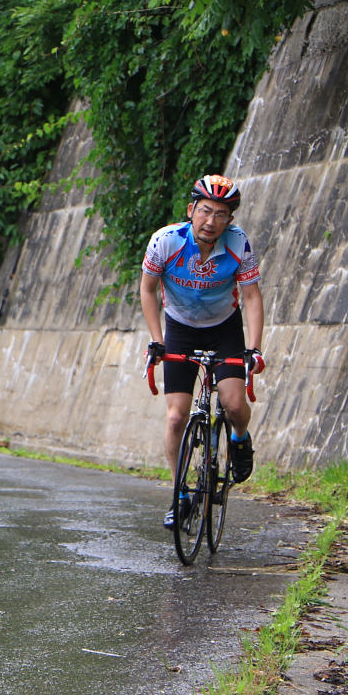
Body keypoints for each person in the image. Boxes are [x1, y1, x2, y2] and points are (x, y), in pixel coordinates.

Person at [140, 174, 265, 530]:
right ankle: (178, 496)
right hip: (179, 328)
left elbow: (253, 297)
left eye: (221, 214)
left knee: (235, 404)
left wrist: (253, 349)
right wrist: (156, 339)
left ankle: (239, 440)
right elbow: (149, 291)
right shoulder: (165, 242)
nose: (211, 221)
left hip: (223, 328)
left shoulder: (238, 244)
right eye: (205, 211)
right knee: (176, 417)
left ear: (230, 220)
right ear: (191, 210)